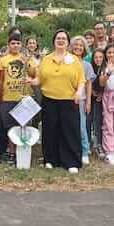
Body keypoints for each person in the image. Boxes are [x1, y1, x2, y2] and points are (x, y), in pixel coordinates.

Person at [30, 30, 84, 174]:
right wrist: (31, 81)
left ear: (67, 42)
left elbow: (81, 80)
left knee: (70, 131)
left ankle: (71, 161)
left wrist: (79, 92)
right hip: (49, 100)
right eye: (58, 38)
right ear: (54, 41)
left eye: (63, 38)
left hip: (69, 100)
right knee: (50, 130)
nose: (61, 40)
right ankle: (50, 160)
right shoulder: (46, 59)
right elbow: (39, 79)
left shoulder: (74, 60)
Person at [0, 32, 36, 165]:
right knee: (10, 128)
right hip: (8, 98)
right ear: (9, 45)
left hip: (24, 98)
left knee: (23, 125)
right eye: (13, 43)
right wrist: (1, 97)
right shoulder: (3, 60)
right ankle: (12, 153)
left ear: (21, 45)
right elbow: (1, 80)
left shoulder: (26, 58)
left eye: (18, 43)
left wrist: (27, 64)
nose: (15, 45)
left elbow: (33, 74)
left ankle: (22, 153)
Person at [70, 36, 95, 165]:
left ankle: (85, 152)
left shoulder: (86, 65)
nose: (78, 47)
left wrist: (89, 102)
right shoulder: (66, 62)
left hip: (82, 100)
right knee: (69, 127)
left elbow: (89, 84)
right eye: (76, 45)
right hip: (67, 99)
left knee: (82, 127)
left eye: (81, 45)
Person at [90, 48, 105, 158]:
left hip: (102, 99)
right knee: (90, 121)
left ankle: (99, 144)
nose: (98, 59)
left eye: (100, 57)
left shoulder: (105, 68)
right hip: (90, 98)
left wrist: (101, 93)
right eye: (96, 57)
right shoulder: (91, 68)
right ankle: (93, 144)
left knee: (98, 122)